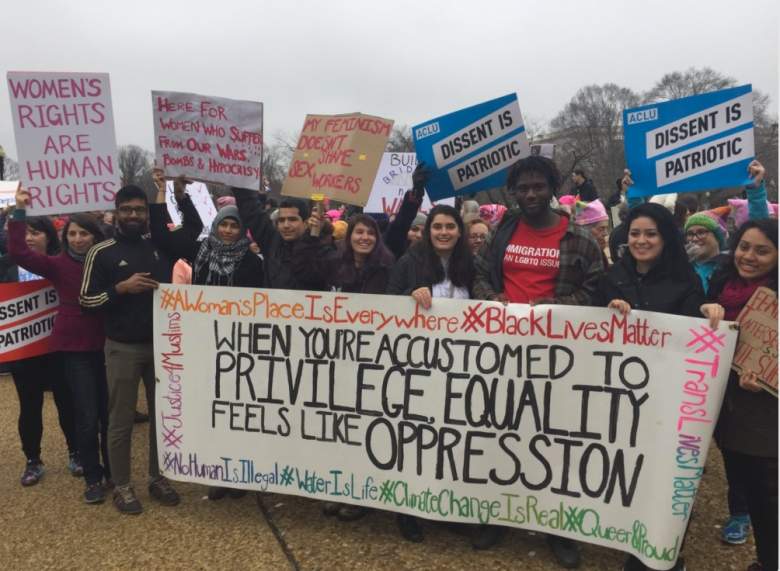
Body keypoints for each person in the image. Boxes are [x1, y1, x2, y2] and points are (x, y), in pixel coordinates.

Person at [474, 156, 603, 567]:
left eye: (538, 186)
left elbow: (597, 293)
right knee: (501, 434)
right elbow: (478, 274)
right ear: (513, 192)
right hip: (504, 351)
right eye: (522, 188)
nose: (530, 194)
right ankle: (498, 514)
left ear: (551, 187)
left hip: (558, 357)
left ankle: (557, 527)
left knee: (555, 442)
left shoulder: (580, 238)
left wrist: (556, 307)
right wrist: (490, 297)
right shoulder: (504, 231)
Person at [593, 202, 721, 571]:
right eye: (635, 233)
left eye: (650, 234)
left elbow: (696, 317)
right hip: (623, 398)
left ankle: (667, 549)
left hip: (669, 400)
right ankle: (633, 541)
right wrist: (607, 311)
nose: (642, 240)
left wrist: (708, 312)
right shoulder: (612, 278)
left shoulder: (685, 280)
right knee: (629, 471)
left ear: (665, 238)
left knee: (666, 473)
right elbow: (589, 329)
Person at [80, 184, 199, 514]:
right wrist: (121, 287)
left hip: (163, 346)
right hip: (122, 348)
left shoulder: (159, 245)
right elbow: (86, 301)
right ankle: (121, 485)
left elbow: (193, 232)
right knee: (120, 420)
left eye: (139, 210)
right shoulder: (101, 252)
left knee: (164, 417)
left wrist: (178, 196)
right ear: (116, 213)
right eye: (127, 210)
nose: (133, 215)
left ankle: (157, 477)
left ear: (148, 215)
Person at [9, 188, 110, 502]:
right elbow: (19, 254)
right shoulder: (58, 264)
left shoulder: (106, 261)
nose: (78, 239)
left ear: (95, 236)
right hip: (74, 347)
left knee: (108, 414)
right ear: (64, 237)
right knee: (85, 412)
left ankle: (112, 470)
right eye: (73, 234)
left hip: (108, 344)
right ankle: (92, 475)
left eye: (84, 234)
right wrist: (19, 213)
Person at [294, 213, 396, 521]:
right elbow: (302, 269)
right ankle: (334, 487)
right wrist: (312, 232)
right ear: (349, 236)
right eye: (359, 232)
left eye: (370, 233)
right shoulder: (333, 264)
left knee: (364, 428)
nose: (364, 237)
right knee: (336, 427)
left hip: (371, 361)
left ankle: (360, 493)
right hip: (334, 358)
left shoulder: (387, 267)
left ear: (377, 238)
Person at [387, 204, 474, 542]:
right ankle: (406, 510)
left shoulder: (470, 264)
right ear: (428, 230)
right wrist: (410, 297)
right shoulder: (410, 261)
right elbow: (387, 301)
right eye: (437, 226)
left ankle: (443, 507)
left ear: (459, 231)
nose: (443, 232)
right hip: (417, 366)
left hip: (459, 367)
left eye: (450, 226)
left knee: (448, 442)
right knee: (413, 440)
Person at [707, 218, 778, 571]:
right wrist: (705, 312)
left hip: (765, 414)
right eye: (744, 247)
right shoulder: (721, 286)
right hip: (726, 405)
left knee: (767, 495)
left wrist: (769, 376)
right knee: (743, 480)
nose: (749, 256)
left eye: (762, 251)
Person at [4, 210, 79, 487]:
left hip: (58, 347)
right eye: (25, 233)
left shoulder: (60, 264)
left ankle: (76, 452)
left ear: (49, 236)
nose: (29, 238)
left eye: (35, 232)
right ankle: (32, 460)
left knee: (66, 401)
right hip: (24, 351)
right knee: (29, 405)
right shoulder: (6, 268)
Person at [684, 160, 769, 294]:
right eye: (690, 234)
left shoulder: (732, 265)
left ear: (718, 236)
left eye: (701, 232)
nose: (694, 238)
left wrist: (755, 190)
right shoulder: (681, 267)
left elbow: (761, 230)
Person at [572, 199, 610, 267]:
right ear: (585, 230)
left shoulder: (598, 253)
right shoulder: (577, 257)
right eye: (601, 228)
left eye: (606, 228)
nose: (606, 233)